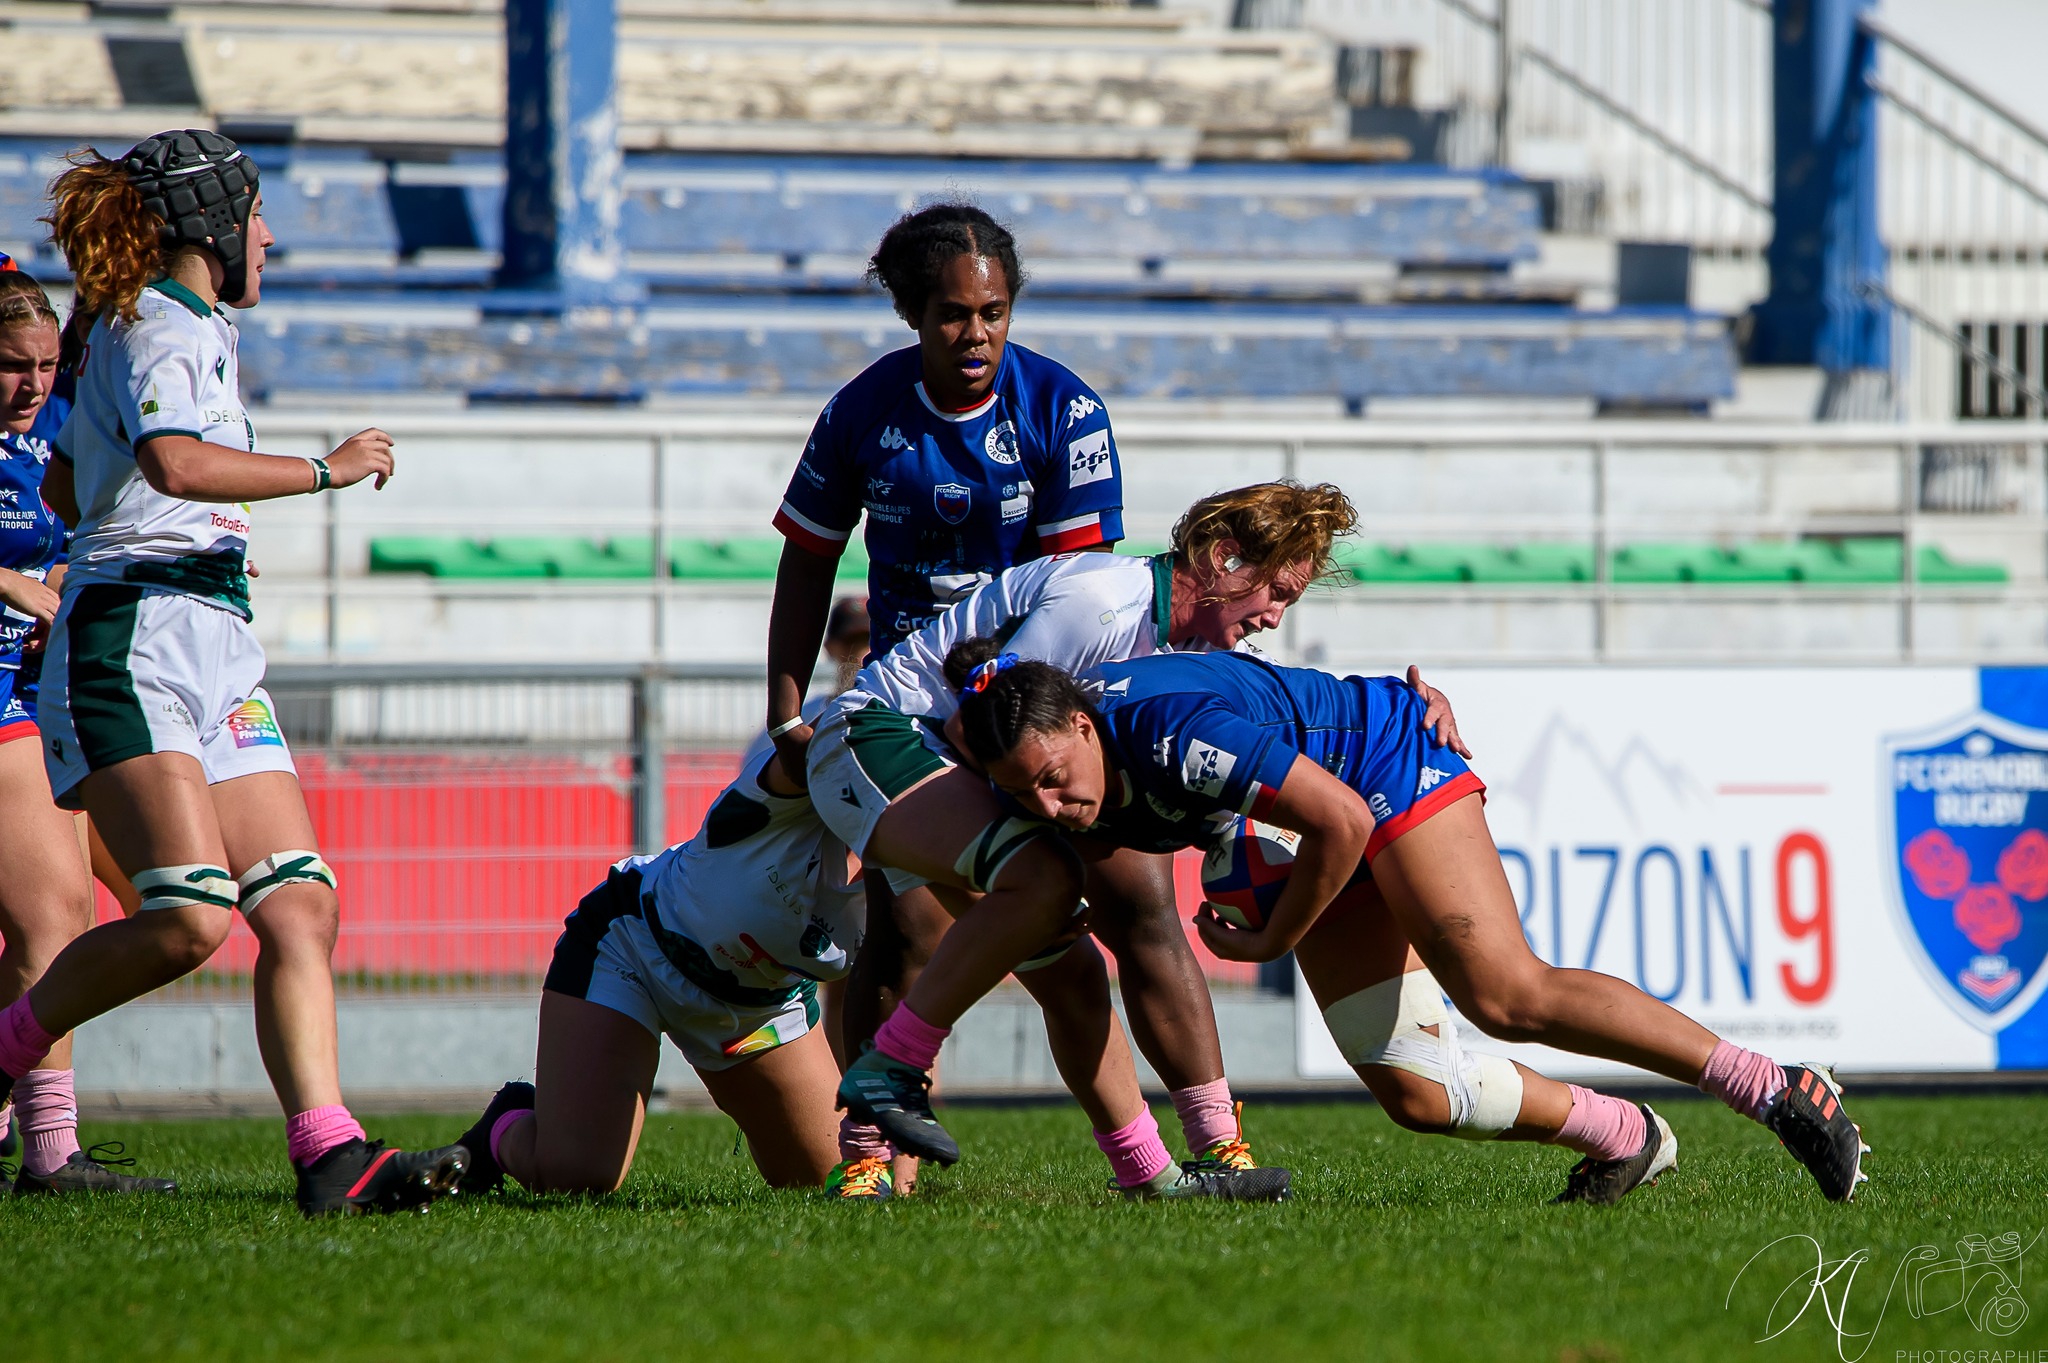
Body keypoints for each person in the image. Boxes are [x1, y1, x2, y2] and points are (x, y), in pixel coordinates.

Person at [887, 644, 1870, 1204]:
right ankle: (1624, 1136)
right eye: (1028, 797)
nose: (1054, 807)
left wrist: (1269, 938)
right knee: (1420, 1092)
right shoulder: (1077, 768)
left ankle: (1774, 1087)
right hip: (1308, 824)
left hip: (1383, 769)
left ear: (1084, 727)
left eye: (1057, 780)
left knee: (1503, 992)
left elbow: (1342, 818)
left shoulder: (1164, 735)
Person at [0, 131, 468, 1216]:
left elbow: (75, 486)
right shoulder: (157, 322)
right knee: (190, 916)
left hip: (211, 633)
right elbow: (174, 462)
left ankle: (330, 1153)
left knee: (299, 903)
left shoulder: (179, 325)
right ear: (211, 222)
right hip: (138, 640)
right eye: (255, 214)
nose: (268, 234)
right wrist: (325, 469)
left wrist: (191, 527)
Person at [816, 481, 1460, 1196]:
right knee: (953, 917)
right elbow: (988, 727)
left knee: (1107, 939)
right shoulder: (1102, 603)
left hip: (985, 767)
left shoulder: (1181, 646)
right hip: (892, 736)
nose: (1275, 617)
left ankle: (1182, 1163)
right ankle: (874, 1139)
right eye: (1274, 591)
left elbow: (1297, 706)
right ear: (1222, 559)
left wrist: (1411, 705)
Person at [443, 722, 1235, 1201]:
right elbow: (822, 746)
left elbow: (912, 994)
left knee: (834, 1183)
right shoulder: (813, 770)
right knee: (581, 1176)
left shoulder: (940, 872)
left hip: (759, 1006)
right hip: (633, 943)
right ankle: (505, 1125)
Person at [761, 203, 1140, 1190]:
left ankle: (1201, 1141)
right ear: (911, 313)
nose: (974, 334)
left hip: (1021, 720)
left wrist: (1047, 742)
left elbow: (1077, 600)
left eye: (993, 311)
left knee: (1125, 916)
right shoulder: (860, 413)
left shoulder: (1062, 411)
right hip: (905, 712)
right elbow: (806, 560)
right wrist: (786, 706)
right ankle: (870, 1154)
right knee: (908, 928)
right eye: (950, 314)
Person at [0, 263, 173, 1193]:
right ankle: (51, 1150)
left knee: (176, 903)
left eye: (44, 364)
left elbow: (82, 541)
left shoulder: (51, 440)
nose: (32, 384)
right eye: (8, 366)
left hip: (46, 696)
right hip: (2, 702)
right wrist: (12, 583)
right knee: (55, 914)